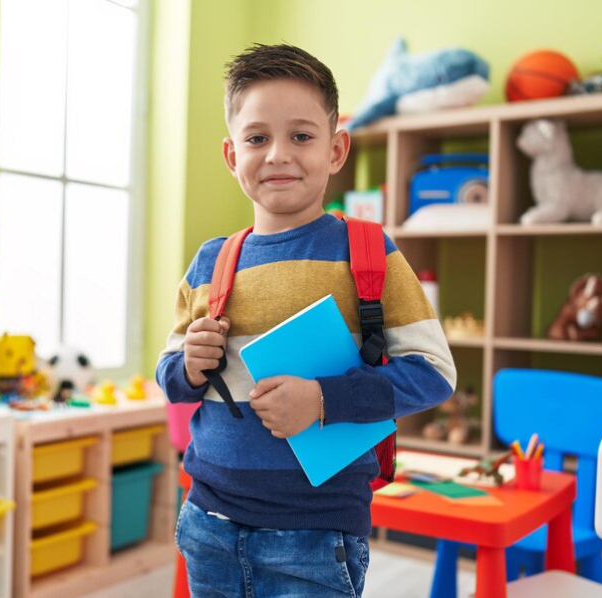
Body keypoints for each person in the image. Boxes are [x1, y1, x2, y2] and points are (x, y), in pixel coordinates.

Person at [156, 43, 456, 597]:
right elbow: (171, 377)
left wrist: (323, 401)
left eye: (300, 136)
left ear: (336, 149)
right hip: (209, 522)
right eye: (256, 138)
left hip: (318, 535)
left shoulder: (368, 253)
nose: (277, 155)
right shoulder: (210, 261)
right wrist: (189, 364)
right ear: (231, 155)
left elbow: (434, 372)